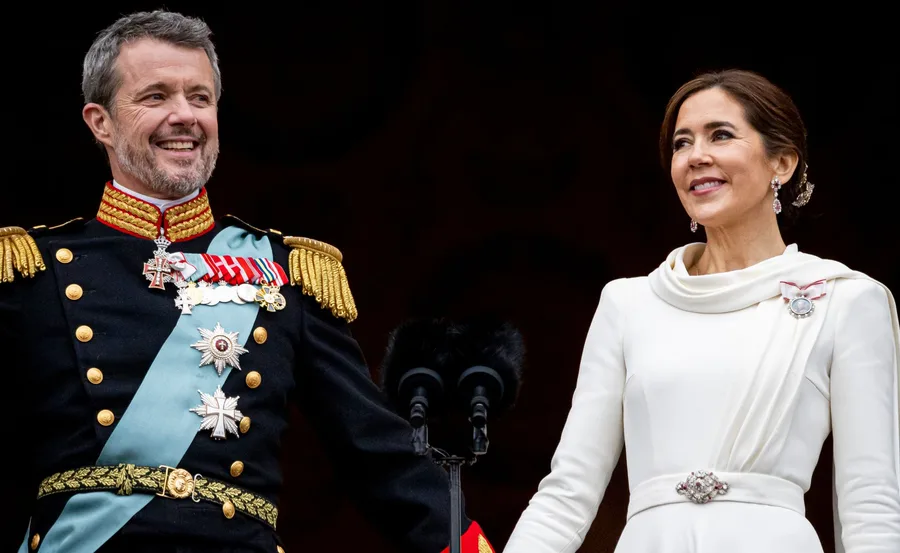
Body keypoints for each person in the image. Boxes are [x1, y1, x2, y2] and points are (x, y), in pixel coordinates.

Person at [1, 10, 495, 553]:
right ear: (101, 122)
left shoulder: (285, 271)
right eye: (156, 97)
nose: (183, 117)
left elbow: (376, 449)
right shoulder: (31, 270)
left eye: (200, 98)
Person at [502, 69, 900, 552]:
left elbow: (870, 502)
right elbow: (569, 490)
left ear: (783, 162)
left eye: (721, 135)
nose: (696, 156)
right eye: (681, 143)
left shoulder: (845, 299)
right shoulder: (629, 303)